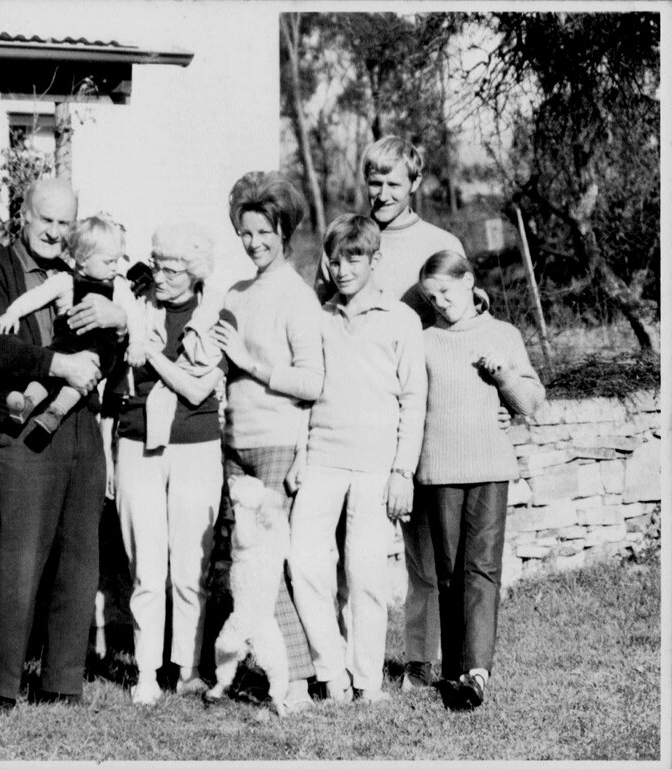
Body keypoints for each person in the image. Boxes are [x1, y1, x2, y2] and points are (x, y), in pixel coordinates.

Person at [0, 177, 127, 712]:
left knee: (80, 555)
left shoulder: (87, 277)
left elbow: (111, 360)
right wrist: (56, 363)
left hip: (80, 424)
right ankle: (5, 687)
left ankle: (62, 682)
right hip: (23, 428)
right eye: (46, 219)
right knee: (19, 557)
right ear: (24, 216)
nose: (55, 232)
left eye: (65, 222)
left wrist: (118, 325)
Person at [313, 136, 466, 691]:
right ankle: (351, 662)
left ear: (415, 184)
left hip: (430, 404)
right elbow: (321, 319)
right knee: (357, 550)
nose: (381, 192)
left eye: (393, 183)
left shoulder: (439, 240)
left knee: (427, 545)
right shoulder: (349, 238)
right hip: (364, 421)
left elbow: (467, 315)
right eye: (374, 181)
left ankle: (423, 659)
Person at [289, 214, 426, 704]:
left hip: (376, 466)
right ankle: (332, 670)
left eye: (354, 258)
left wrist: (401, 471)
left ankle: (367, 680)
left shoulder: (402, 320)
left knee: (366, 573)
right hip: (322, 458)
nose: (343, 269)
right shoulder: (319, 316)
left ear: (374, 260)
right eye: (335, 259)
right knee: (304, 561)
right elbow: (307, 390)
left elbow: (414, 399)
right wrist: (300, 452)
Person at [210, 170, 324, 714]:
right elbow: (217, 363)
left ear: (285, 232)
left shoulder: (297, 295)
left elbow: (312, 380)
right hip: (235, 440)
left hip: (278, 441)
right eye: (246, 232)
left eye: (264, 233)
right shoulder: (235, 292)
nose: (254, 242)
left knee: (267, 564)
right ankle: (263, 667)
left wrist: (251, 364)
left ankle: (297, 679)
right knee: (242, 565)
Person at [415, 250, 544, 709]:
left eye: (446, 293)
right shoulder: (424, 340)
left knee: (482, 570)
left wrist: (503, 376)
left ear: (469, 281)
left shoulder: (503, 334)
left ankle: (477, 673)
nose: (440, 304)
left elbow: (530, 404)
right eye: (432, 298)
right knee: (448, 572)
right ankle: (454, 671)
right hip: (438, 471)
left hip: (489, 467)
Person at [106, 223, 227, 705]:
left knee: (190, 568)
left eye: (173, 270)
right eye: (157, 264)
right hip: (137, 443)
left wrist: (151, 354)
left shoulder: (219, 315)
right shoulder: (133, 310)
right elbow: (112, 389)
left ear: (195, 273)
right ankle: (146, 673)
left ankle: (189, 668)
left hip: (197, 445)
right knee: (146, 567)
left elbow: (198, 389)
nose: (161, 276)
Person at [0, 213, 142, 435]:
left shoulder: (118, 286)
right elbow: (36, 296)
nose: (114, 267)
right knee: (49, 368)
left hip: (99, 351)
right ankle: (27, 402)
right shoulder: (65, 281)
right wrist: (12, 313)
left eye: (116, 261)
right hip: (66, 345)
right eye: (108, 261)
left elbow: (134, 315)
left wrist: (136, 343)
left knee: (79, 380)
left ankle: (56, 413)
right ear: (82, 260)